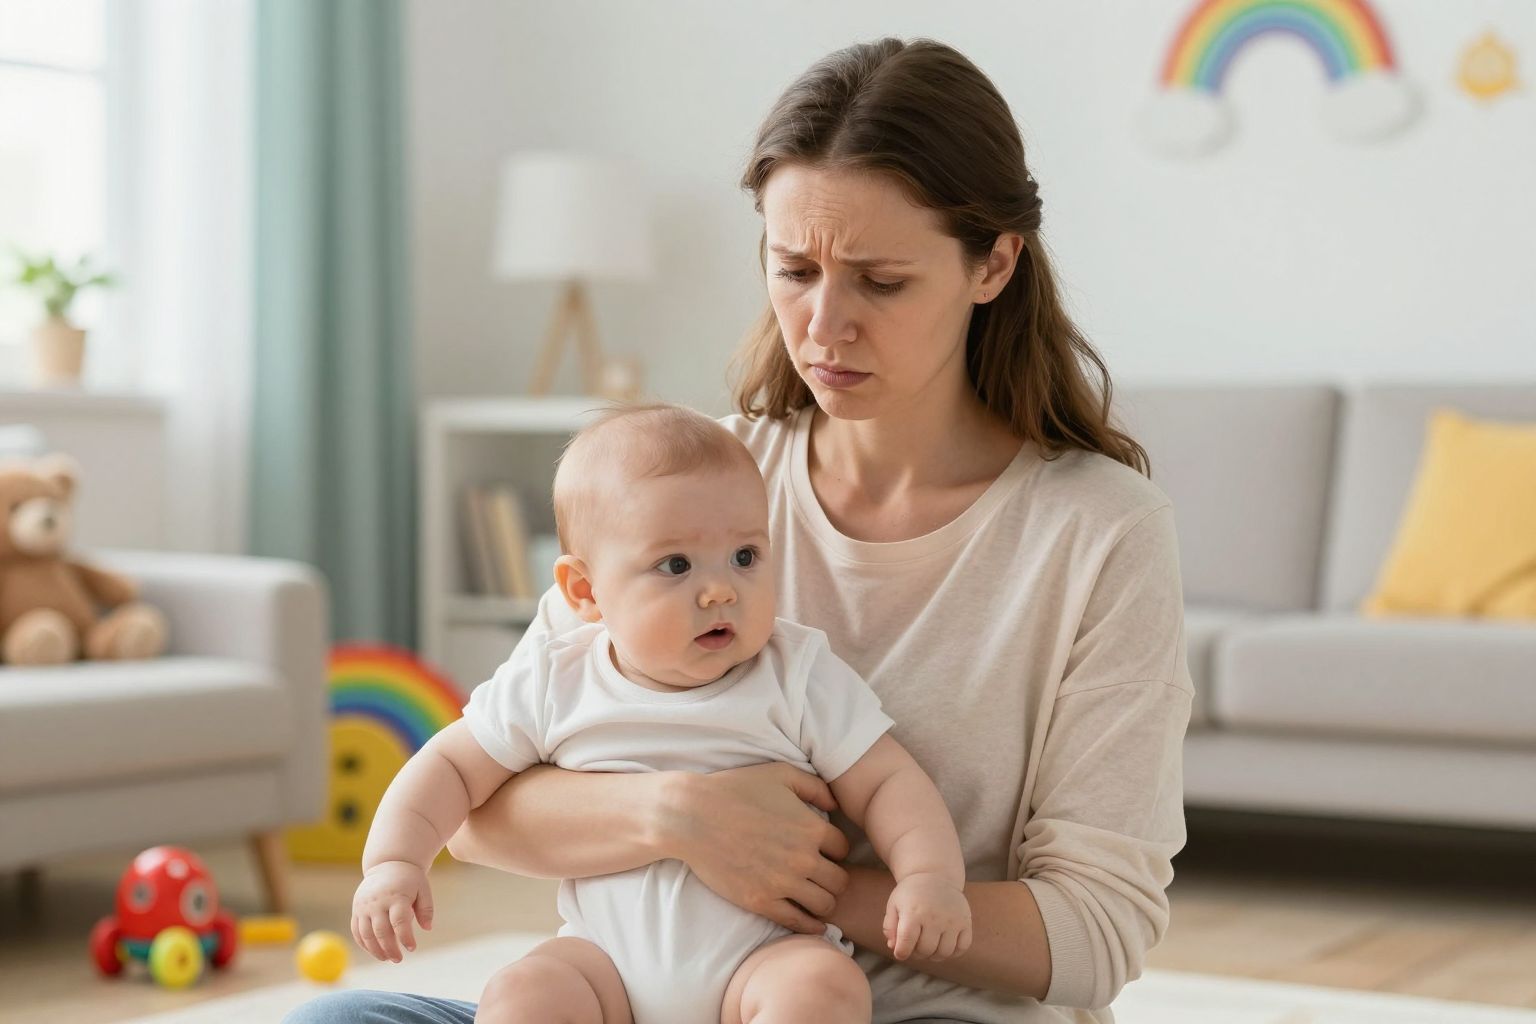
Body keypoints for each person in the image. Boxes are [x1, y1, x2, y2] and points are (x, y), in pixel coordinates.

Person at [286, 34, 1192, 1024]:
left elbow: (1098, 932)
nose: (823, 324)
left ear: (994, 265)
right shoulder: (691, 487)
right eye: (793, 267)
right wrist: (681, 818)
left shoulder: (1099, 532)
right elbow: (485, 813)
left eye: (881, 282)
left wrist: (799, 879)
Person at [349, 403, 974, 1024]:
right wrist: (395, 863)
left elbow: (889, 780)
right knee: (521, 994)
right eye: (676, 566)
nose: (721, 589)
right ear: (585, 593)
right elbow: (452, 768)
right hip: (604, 969)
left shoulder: (795, 672)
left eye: (746, 557)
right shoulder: (554, 677)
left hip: (761, 961)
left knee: (823, 989)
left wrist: (929, 877)